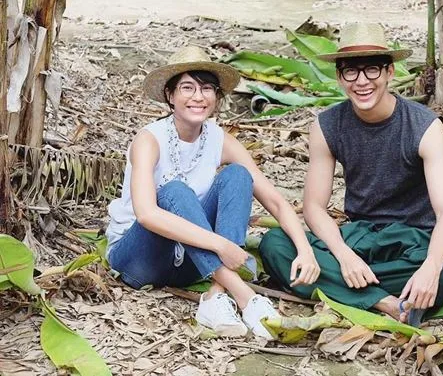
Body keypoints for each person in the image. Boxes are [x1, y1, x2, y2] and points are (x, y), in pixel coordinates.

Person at [105, 46, 320, 339]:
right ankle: (246, 297)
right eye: (187, 88)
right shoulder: (150, 139)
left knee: (238, 175)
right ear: (170, 95)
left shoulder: (220, 140)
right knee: (175, 191)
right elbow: (146, 214)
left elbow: (275, 201)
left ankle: (216, 295)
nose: (198, 97)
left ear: (217, 97)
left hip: (194, 263)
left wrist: (305, 251)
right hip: (141, 259)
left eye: (207, 89)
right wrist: (221, 244)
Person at [259, 23, 443, 326]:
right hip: (357, 237)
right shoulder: (327, 126)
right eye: (351, 72)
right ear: (340, 77)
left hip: (410, 241)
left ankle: (345, 289)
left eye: (372, 70)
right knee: (275, 244)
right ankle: (386, 302)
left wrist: (430, 267)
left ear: (389, 72)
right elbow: (313, 207)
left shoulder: (425, 127)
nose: (362, 81)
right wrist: (343, 255)